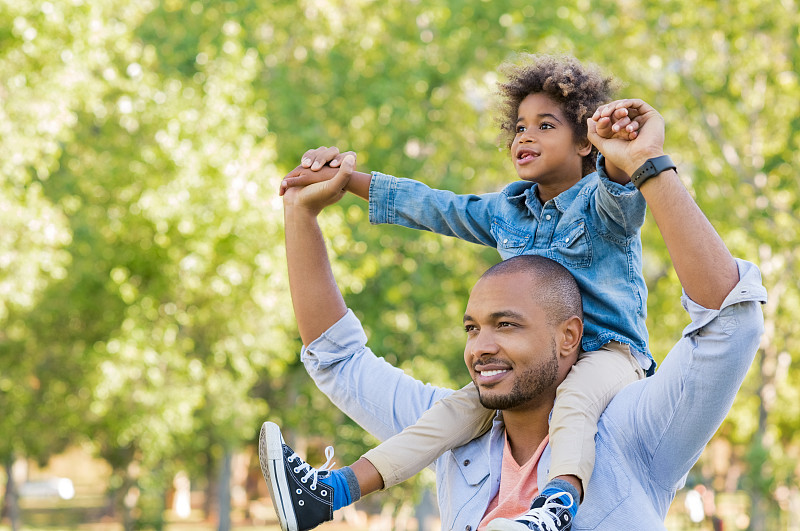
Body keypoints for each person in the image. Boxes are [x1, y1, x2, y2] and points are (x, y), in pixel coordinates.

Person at [261, 98, 765, 531]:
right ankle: (329, 494)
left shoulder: (638, 428)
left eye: (506, 324)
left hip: (611, 356)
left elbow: (728, 323)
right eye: (471, 328)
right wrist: (309, 206)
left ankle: (557, 503)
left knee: (575, 404)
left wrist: (642, 161)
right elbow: (340, 356)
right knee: (441, 419)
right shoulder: (469, 437)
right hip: (543, 374)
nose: (480, 346)